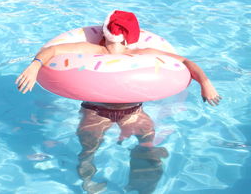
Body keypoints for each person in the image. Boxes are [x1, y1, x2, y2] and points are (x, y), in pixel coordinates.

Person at [16, 10, 221, 192]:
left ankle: (125, 184)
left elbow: (185, 61)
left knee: (127, 146)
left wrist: (205, 82)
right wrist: (35, 66)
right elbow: (52, 51)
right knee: (99, 149)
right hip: (102, 110)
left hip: (119, 112)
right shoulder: (103, 50)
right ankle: (106, 183)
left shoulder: (129, 52)